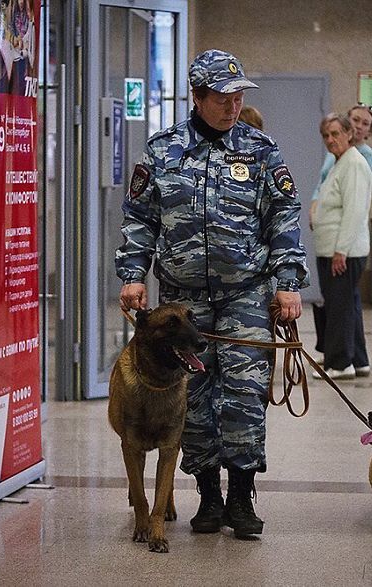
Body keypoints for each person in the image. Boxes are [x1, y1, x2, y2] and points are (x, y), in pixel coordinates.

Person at [115, 49, 309, 539]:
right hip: (182, 303)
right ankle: (208, 495)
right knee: (193, 399)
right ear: (197, 97)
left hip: (246, 293)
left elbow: (283, 217)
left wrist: (287, 284)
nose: (233, 104)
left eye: (239, 95)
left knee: (244, 393)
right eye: (223, 96)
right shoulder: (163, 152)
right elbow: (140, 221)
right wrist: (133, 275)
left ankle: (242, 497)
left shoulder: (261, 150)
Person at [309, 104, 372, 376]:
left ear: (349, 134)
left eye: (335, 133)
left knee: (338, 309)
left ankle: (340, 363)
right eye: (326, 135)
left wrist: (341, 251)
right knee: (343, 305)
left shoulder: (356, 164)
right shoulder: (340, 162)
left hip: (343, 252)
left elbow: (354, 211)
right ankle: (358, 360)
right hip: (333, 250)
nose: (330, 140)